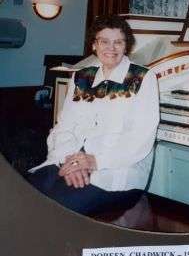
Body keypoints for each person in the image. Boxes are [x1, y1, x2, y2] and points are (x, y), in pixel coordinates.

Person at [28, 15, 160, 215]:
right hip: (71, 160)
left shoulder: (142, 77)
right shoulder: (82, 76)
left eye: (118, 42)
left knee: (56, 210)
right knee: (26, 195)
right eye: (104, 41)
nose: (111, 48)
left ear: (127, 46)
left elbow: (141, 138)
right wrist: (69, 160)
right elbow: (64, 125)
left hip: (116, 172)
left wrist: (94, 161)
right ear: (94, 45)